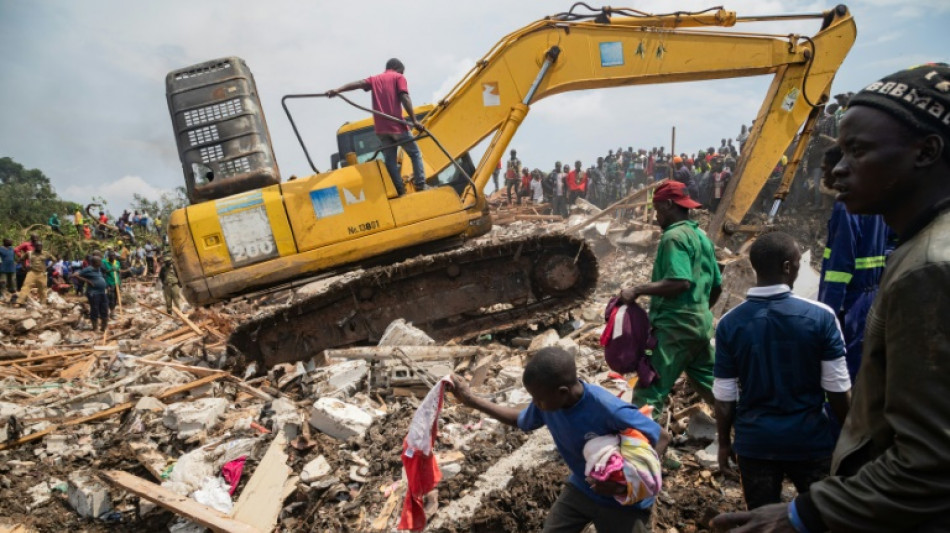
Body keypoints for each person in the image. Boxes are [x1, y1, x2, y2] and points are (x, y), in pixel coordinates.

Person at [712, 64, 950, 533]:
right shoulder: (910, 250)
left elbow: (932, 459)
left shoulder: (929, 269)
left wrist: (804, 514)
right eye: (838, 152)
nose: (837, 169)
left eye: (857, 151)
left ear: (927, 151)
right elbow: (840, 389)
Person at [449, 347, 664, 533]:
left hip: (621, 504)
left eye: (538, 399)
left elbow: (661, 436)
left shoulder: (607, 408)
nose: (535, 404)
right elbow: (521, 420)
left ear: (562, 392)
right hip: (581, 488)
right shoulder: (549, 403)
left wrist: (627, 482)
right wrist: (471, 400)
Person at [714, 231, 850, 510]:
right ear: (788, 267)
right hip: (810, 442)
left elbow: (725, 396)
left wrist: (724, 444)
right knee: (822, 517)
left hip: (755, 445)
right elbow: (837, 389)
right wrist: (851, 439)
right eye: (799, 262)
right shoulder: (821, 317)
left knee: (762, 519)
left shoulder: (729, 323)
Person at [620, 181, 721, 416]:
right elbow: (716, 285)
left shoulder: (673, 237)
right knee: (714, 386)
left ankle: (641, 449)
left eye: (657, 210)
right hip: (700, 326)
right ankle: (751, 429)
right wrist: (700, 311)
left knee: (649, 389)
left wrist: (637, 289)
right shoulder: (701, 237)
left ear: (667, 205)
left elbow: (680, 281)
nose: (657, 217)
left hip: (674, 329)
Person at [817, 143, 893, 381]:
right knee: (862, 365)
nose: (824, 175)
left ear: (841, 168)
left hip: (849, 302)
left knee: (840, 369)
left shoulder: (845, 206)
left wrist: (827, 314)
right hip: (871, 296)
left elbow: (840, 266)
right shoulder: (877, 201)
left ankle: (837, 416)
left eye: (825, 169)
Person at [326, 58, 426, 196]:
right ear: (398, 69)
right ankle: (421, 185)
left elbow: (359, 83)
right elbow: (404, 97)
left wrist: (338, 90)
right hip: (397, 125)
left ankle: (400, 191)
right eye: (402, 72)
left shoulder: (375, 79)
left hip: (381, 129)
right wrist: (415, 121)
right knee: (415, 153)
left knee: (390, 161)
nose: (403, 75)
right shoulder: (398, 77)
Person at [71, 254, 108, 332]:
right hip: (94, 293)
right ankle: (95, 327)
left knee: (104, 308)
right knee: (95, 309)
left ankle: (103, 327)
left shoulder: (98, 268)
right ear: (94, 262)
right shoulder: (88, 269)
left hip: (102, 292)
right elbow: (75, 275)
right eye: (99, 261)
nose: (101, 262)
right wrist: (88, 281)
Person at [102, 250, 122, 317]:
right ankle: (109, 313)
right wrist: (110, 270)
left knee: (116, 298)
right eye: (111, 256)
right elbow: (103, 272)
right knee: (111, 298)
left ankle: (112, 312)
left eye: (114, 256)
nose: (113, 258)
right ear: (108, 256)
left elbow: (119, 272)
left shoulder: (117, 262)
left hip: (117, 282)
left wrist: (120, 283)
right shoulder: (104, 262)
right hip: (109, 283)